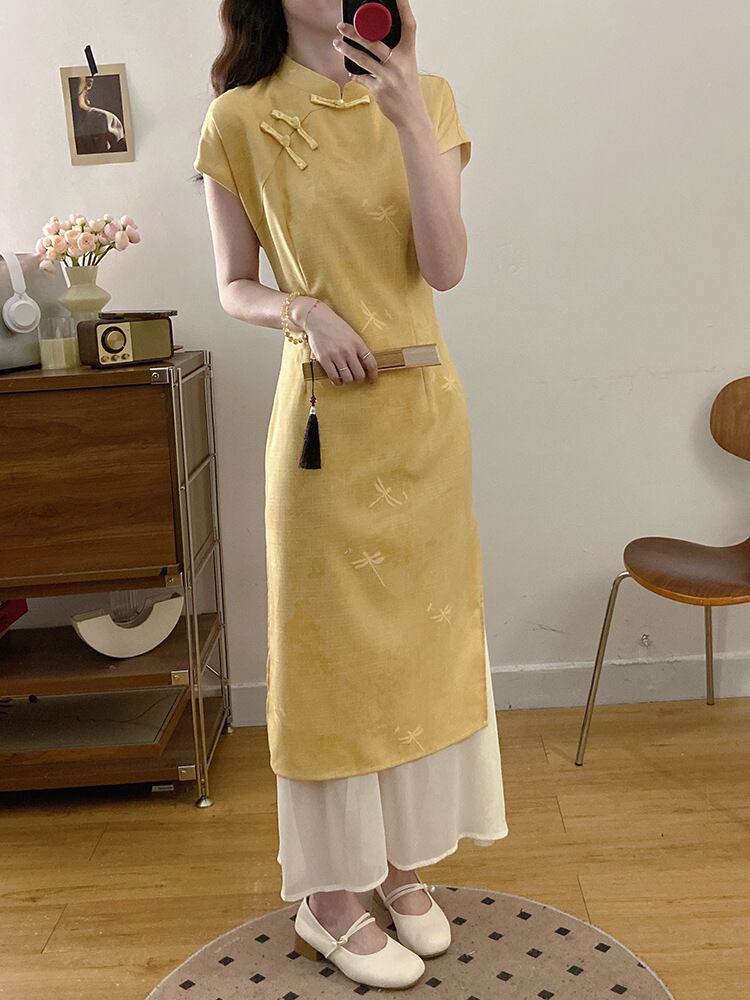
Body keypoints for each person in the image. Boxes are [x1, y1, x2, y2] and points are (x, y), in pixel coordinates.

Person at [194, 0, 508, 989]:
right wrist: (301, 310)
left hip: (425, 420)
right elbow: (232, 284)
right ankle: (328, 896)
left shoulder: (429, 97)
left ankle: (402, 866)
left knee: (420, 648)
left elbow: (446, 268)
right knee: (330, 658)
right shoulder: (239, 117)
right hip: (323, 424)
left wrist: (406, 110)